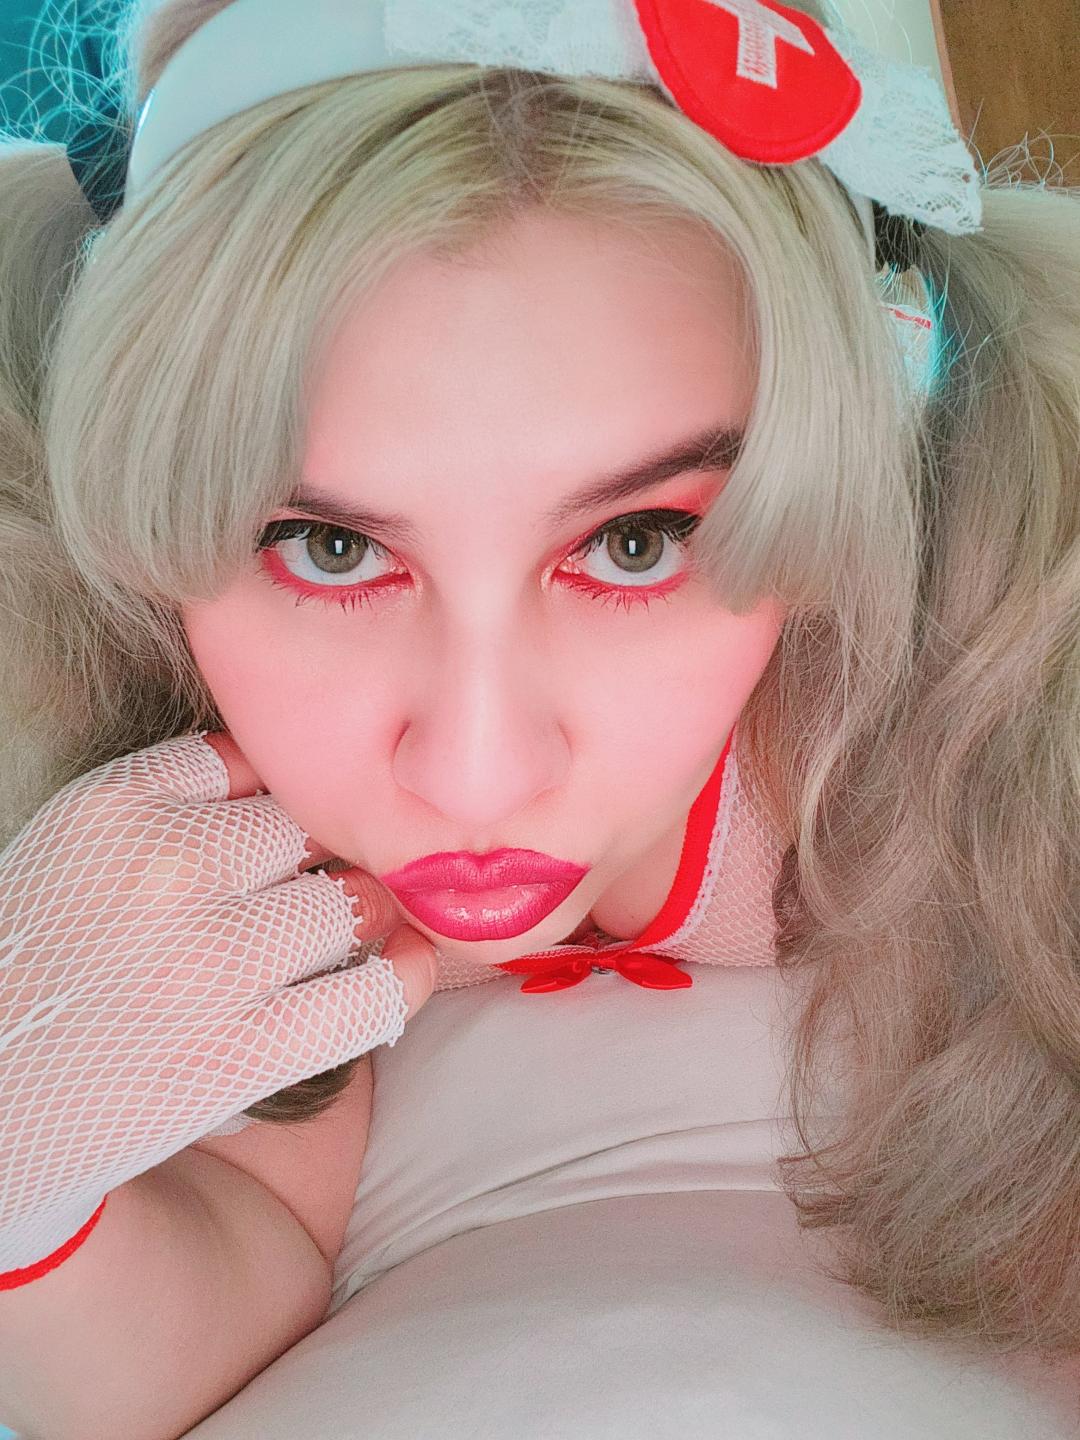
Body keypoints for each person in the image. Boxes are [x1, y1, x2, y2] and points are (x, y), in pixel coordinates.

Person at [0, 0, 1077, 1434]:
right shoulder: (166, 772)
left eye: (634, 543)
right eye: (331, 548)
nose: (477, 771)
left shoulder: (1008, 695)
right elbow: (189, 1344)